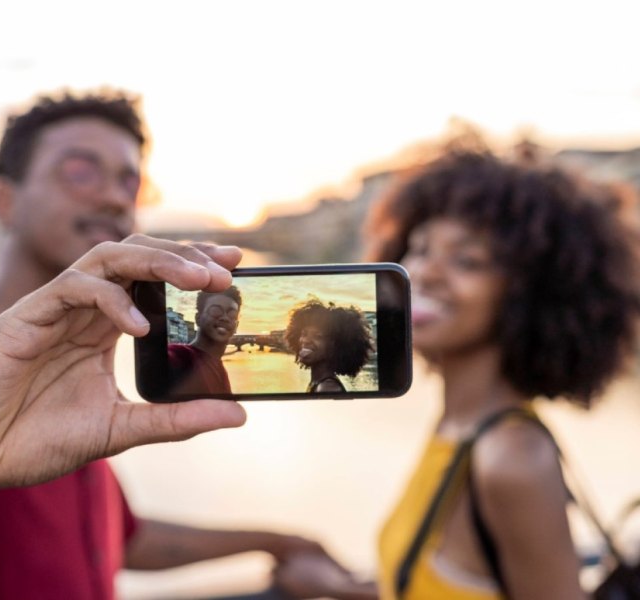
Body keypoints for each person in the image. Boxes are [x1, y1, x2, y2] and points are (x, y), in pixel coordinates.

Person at [0, 91, 331, 599]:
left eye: (128, 181)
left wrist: (276, 542)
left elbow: (119, 539)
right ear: (4, 200)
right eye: (80, 171)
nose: (116, 198)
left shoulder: (84, 355)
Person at [274, 143, 640, 599]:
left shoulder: (511, 459)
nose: (426, 273)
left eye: (468, 261)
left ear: (530, 295)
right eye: (420, 248)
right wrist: (338, 587)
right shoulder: (459, 425)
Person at [283, 298, 374, 393]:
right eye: (304, 334)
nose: (306, 340)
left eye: (318, 336)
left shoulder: (327, 388)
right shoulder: (318, 383)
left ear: (336, 345)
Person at [168, 286, 242, 395]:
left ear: (237, 325)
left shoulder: (218, 366)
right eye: (216, 311)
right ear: (198, 318)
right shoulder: (181, 355)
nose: (225, 318)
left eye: (232, 314)